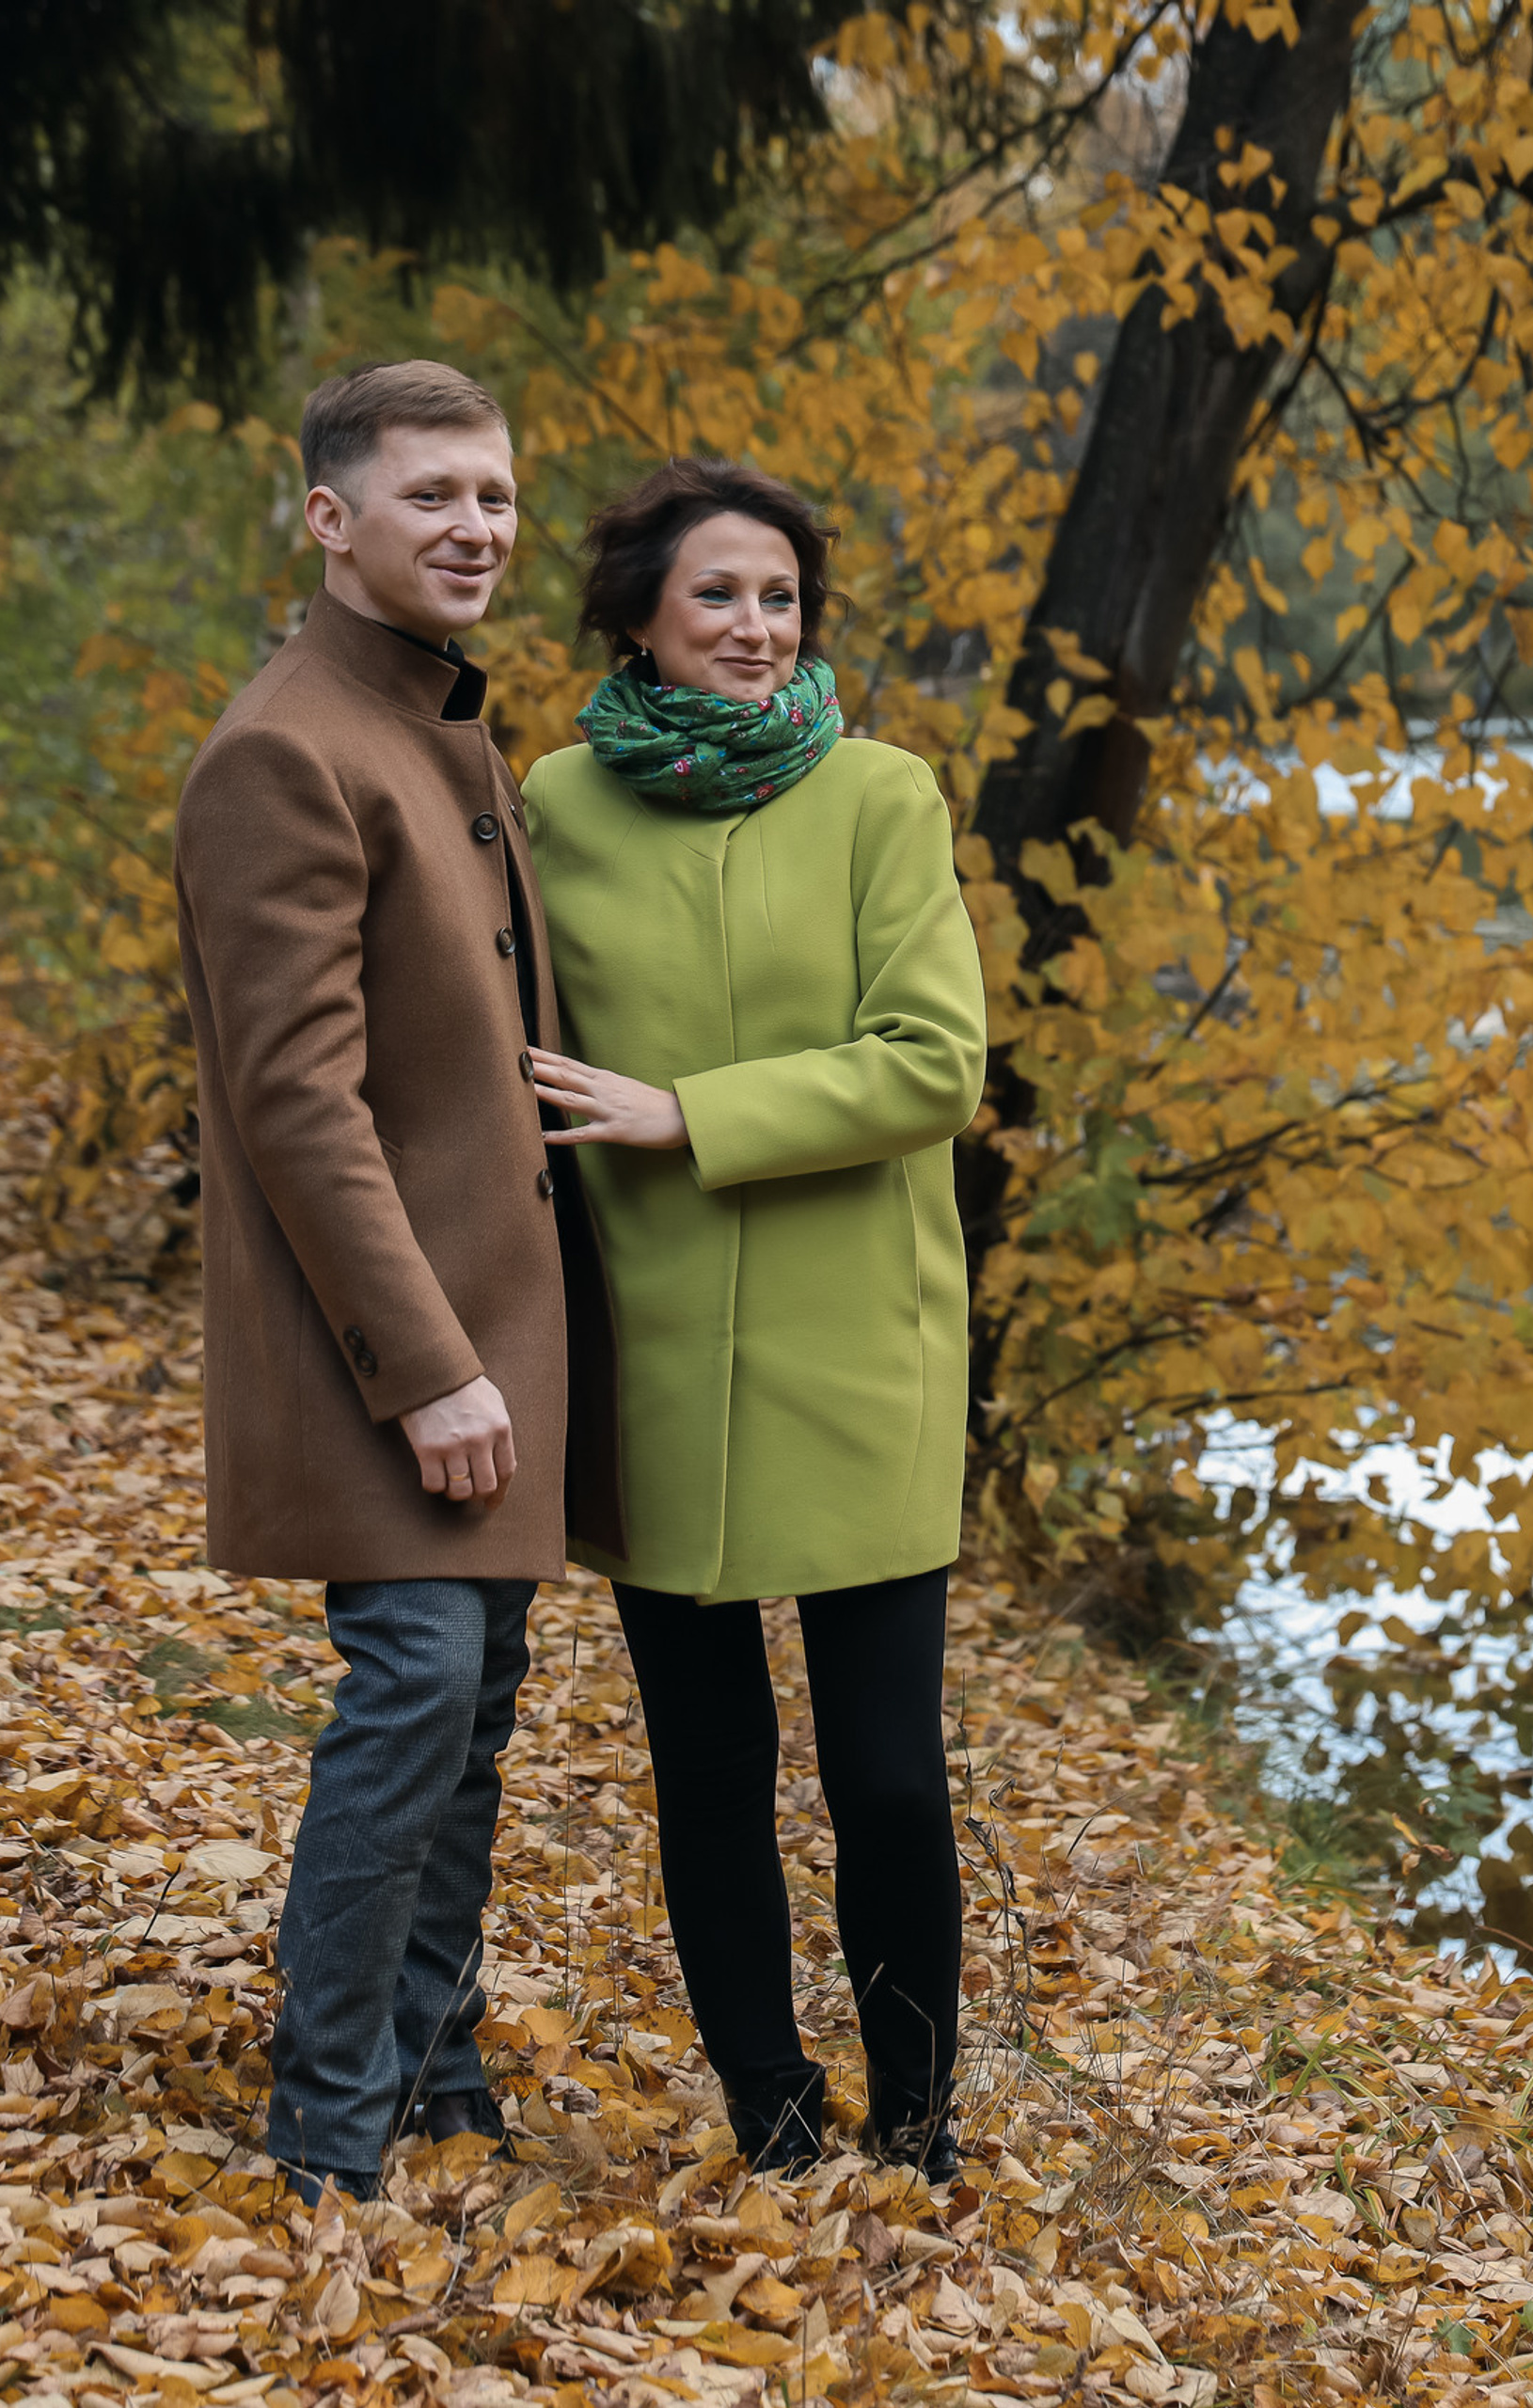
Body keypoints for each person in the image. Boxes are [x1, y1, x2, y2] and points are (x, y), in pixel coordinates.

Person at [174, 359, 619, 2204]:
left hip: (502, 1322)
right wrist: (427, 1363)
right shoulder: (287, 746)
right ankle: (328, 2113)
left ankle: (436, 2064)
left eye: (497, 496)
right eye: (432, 494)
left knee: (477, 1693)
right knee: (417, 1681)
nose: (475, 527)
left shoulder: (442, 725)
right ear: (330, 518)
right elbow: (296, 1102)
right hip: (394, 1340)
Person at [519, 458, 985, 2178]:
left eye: (780, 597)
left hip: (865, 1347)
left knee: (884, 1777)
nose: (755, 626)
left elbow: (936, 1061)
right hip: (649, 1354)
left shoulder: (882, 796)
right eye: (719, 593)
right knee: (708, 1773)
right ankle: (775, 2125)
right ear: (639, 608)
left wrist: (690, 1113)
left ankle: (920, 2135)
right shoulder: (554, 806)